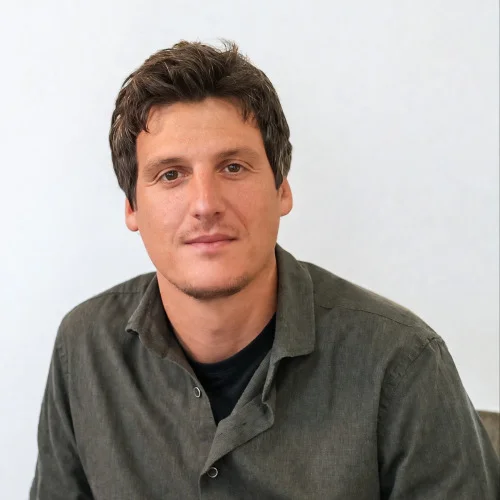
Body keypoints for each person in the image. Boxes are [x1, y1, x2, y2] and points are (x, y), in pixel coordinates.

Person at [30, 40, 499, 500]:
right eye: (171, 174)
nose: (205, 204)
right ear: (132, 207)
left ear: (282, 190)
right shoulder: (84, 348)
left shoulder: (402, 362)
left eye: (233, 167)